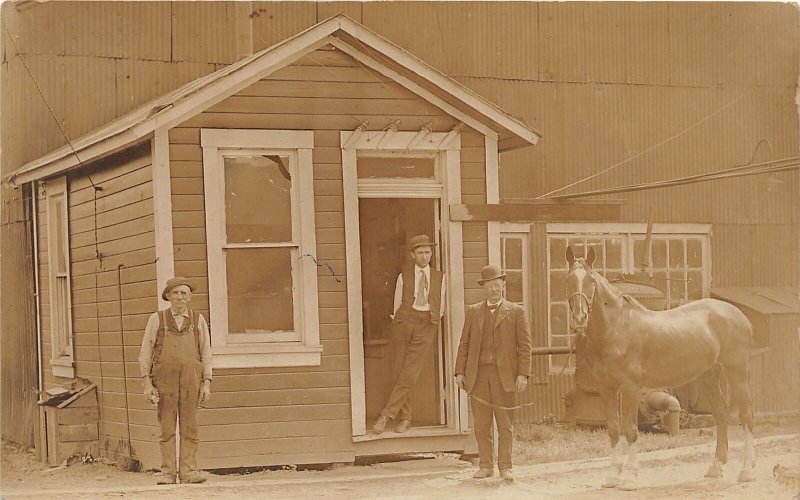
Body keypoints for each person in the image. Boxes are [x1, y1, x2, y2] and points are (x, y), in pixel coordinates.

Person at [454, 264, 532, 482]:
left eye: (497, 285)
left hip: (504, 378)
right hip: (477, 377)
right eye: (489, 286)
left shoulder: (516, 312)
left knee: (505, 424)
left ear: (503, 286)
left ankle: (506, 466)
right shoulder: (473, 311)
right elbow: (464, 344)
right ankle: (486, 465)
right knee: (481, 423)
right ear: (484, 289)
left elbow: (525, 347)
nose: (494, 290)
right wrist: (459, 372)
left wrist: (523, 374)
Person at [139, 276, 212, 484]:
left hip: (192, 379)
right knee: (167, 428)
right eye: (175, 293)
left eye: (183, 293)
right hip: (164, 380)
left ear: (189, 297)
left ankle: (188, 472)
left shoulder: (198, 320)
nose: (179, 297)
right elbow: (145, 351)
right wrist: (147, 382)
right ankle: (168, 473)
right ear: (168, 296)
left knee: (190, 427)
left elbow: (206, 352)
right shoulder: (157, 319)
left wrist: (207, 382)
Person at [372, 234, 446, 434]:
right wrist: (400, 320)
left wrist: (433, 318)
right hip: (405, 321)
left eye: (427, 252)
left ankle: (386, 415)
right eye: (420, 253)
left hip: (426, 324)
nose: (424, 256)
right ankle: (405, 418)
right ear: (413, 255)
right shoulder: (404, 275)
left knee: (410, 372)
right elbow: (397, 302)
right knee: (400, 370)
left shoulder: (439, 276)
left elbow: (441, 305)